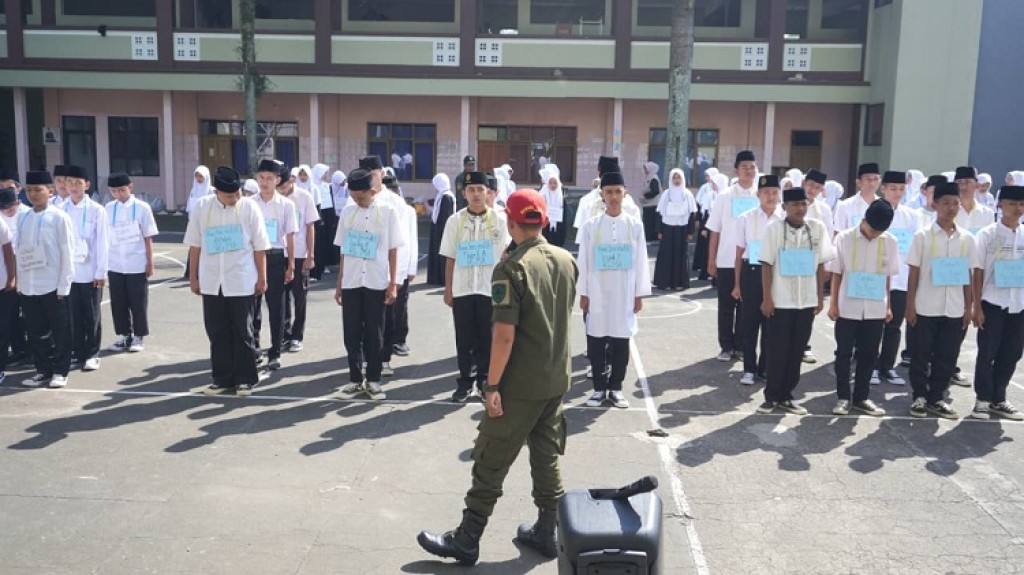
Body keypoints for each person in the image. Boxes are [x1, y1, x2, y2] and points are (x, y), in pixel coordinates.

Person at [417, 189, 578, 566]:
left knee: (490, 457)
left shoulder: (510, 269)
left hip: (520, 382)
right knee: (547, 454)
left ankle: (468, 538)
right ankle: (546, 529)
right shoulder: (566, 259)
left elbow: (504, 334)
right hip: (555, 377)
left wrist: (491, 385)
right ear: (544, 221)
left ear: (510, 222)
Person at [185, 166, 270, 397]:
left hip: (241, 279)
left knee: (244, 331)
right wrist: (193, 277)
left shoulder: (249, 207)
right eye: (229, 196)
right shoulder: (202, 207)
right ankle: (222, 379)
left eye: (236, 194)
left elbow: (260, 247)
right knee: (217, 331)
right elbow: (195, 245)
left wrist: (262, 278)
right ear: (216, 192)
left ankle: (245, 379)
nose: (234, 199)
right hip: (212, 281)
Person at [756, 187, 834, 414]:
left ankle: (787, 396)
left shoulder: (817, 228)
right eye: (794, 205)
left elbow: (820, 264)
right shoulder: (774, 229)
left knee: (797, 350)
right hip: (781, 301)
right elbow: (766, 264)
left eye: (803, 204)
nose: (800, 209)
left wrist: (819, 298)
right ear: (784, 207)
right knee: (777, 350)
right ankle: (771, 397)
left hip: (806, 301)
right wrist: (767, 298)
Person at [577, 171, 650, 408]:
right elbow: (584, 262)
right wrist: (584, 293)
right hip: (598, 293)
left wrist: (638, 294)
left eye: (618, 191)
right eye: (609, 192)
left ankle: (616, 387)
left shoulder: (634, 226)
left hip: (624, 292)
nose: (614, 196)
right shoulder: (591, 226)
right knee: (596, 340)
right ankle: (598, 389)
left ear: (625, 193)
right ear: (602, 195)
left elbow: (641, 261)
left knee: (621, 339)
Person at [905, 182, 975, 419]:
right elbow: (913, 273)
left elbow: (968, 275)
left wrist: (969, 306)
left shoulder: (966, 239)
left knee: (947, 356)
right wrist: (910, 306)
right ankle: (919, 396)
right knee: (920, 355)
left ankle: (936, 398)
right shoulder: (922, 236)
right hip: (925, 307)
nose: (951, 207)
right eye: (946, 202)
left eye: (955, 203)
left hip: (954, 309)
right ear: (934, 204)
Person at [440, 171, 511, 402]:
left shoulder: (500, 221)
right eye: (471, 190)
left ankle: (483, 381)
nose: (477, 194)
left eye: (481, 189)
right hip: (463, 288)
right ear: (464, 194)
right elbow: (450, 256)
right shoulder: (455, 221)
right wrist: (448, 288)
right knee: (464, 338)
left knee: (486, 337)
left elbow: (506, 256)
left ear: (488, 192)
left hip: (488, 290)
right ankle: (464, 382)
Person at [333, 168, 402, 401]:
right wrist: (340, 282)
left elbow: (393, 249)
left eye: (360, 196)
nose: (356, 200)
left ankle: (373, 380)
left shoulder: (388, 212)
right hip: (352, 280)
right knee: (351, 332)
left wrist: (393, 283)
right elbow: (343, 250)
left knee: (375, 332)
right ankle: (354, 379)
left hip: (376, 280)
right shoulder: (347, 212)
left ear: (372, 191)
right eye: (352, 195)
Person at [829, 199, 899, 416]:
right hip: (847, 305)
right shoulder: (844, 238)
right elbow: (837, 273)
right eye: (872, 230)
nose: (875, 235)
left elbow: (887, 276)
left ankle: (861, 397)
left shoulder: (890, 241)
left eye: (879, 232)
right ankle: (842, 397)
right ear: (863, 220)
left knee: (869, 354)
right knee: (843, 353)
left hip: (875, 307)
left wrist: (888, 305)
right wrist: (833, 304)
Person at [969, 184, 1024, 420]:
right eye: (1012, 203)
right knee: (987, 352)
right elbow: (977, 270)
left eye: (1021, 204)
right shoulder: (988, 234)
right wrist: (976, 305)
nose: (1018, 209)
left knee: (1012, 353)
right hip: (992, 302)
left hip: (1019, 303)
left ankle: (999, 398)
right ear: (1000, 205)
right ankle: (982, 398)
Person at [18, 170, 75, 389]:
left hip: (53, 284)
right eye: (29, 190)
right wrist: (22, 283)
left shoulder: (59, 217)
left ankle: (60, 371)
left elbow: (67, 252)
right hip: (31, 285)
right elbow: (21, 250)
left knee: (60, 330)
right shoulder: (25, 216)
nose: (33, 194)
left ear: (50, 191)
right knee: (35, 331)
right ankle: (43, 370)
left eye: (38, 189)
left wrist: (64, 284)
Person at [706, 150, 758, 362]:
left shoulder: (761, 195)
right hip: (727, 258)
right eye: (744, 167)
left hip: (752, 258)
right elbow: (715, 230)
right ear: (736, 170)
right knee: (726, 306)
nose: (749, 170)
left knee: (748, 307)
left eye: (752, 166)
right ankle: (726, 346)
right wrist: (711, 259)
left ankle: (741, 346)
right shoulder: (725, 196)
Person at [734, 174, 784, 385]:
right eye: (766, 193)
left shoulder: (784, 220)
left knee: (771, 325)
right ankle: (749, 369)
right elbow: (738, 254)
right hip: (752, 273)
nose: (770, 197)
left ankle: (764, 369)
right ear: (758, 195)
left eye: (774, 193)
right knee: (749, 323)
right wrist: (737, 284)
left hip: (777, 274)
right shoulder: (746, 218)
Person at [872, 171, 919, 385]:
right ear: (884, 188)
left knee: (894, 326)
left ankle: (887, 367)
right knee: (874, 325)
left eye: (901, 189)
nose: (897, 193)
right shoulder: (873, 210)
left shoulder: (912, 216)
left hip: (901, 279)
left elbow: (915, 249)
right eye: (893, 188)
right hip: (876, 277)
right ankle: (870, 366)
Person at [104, 172, 159, 354]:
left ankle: (139, 335)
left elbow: (147, 236)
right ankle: (124, 335)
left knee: (138, 301)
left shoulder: (142, 208)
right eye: (114, 191)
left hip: (136, 262)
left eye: (122, 190)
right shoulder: (108, 208)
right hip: (115, 263)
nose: (118, 194)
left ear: (130, 187)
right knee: (118, 301)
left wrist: (149, 262)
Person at [251, 159, 297, 371]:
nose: (265, 182)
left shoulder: (287, 205)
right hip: (252, 259)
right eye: (261, 177)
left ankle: (275, 352)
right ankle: (254, 348)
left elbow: (290, 236)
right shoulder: (249, 203)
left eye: (270, 178)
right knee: (252, 307)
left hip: (276, 258)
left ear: (278, 180)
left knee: (277, 308)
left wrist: (291, 266)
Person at [62, 165, 109, 372]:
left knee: (91, 315)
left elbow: (102, 243)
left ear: (87, 185)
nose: (73, 187)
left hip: (90, 272)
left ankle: (92, 353)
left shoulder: (96, 210)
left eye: (78, 183)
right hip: (69, 273)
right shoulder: (61, 209)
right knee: (73, 315)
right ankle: (78, 352)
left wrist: (100, 272)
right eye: (70, 182)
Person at [278, 162, 320, 353]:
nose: (281, 191)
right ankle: (284, 334)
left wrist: (311, 254)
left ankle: (297, 335)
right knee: (281, 296)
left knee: (299, 295)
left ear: (292, 181)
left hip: (300, 253)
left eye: (284, 186)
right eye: (278, 187)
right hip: (279, 253)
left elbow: (310, 227)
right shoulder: (275, 198)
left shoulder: (304, 198)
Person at [382, 174, 418, 360]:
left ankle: (399, 339)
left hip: (402, 265)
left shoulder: (407, 211)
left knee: (400, 305)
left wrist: (412, 268)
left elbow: (413, 240)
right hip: (381, 268)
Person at [1, 186, 31, 366]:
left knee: (30, 314)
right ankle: (19, 350)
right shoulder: (1, 218)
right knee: (12, 317)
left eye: (11, 207)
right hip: (9, 272)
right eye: (4, 208)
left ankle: (33, 350)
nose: (8, 211)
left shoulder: (28, 214)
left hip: (29, 268)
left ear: (18, 202)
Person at [653, 167, 696, 291]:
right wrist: (659, 231)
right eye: (674, 177)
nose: (676, 180)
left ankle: (679, 282)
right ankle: (664, 282)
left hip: (682, 229)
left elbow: (692, 213)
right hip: (667, 228)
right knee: (666, 254)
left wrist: (690, 232)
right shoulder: (666, 193)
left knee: (680, 254)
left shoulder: (687, 194)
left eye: (679, 177)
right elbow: (660, 213)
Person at [694, 172, 726, 281]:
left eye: (716, 183)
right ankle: (706, 273)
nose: (714, 185)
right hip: (711, 228)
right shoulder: (709, 195)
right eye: (713, 183)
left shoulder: (726, 197)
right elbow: (705, 213)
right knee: (709, 251)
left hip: (724, 230)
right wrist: (704, 228)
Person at [833, 163, 882, 233]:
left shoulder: (883, 206)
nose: (872, 183)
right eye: (868, 179)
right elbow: (838, 233)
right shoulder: (845, 206)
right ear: (858, 182)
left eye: (875, 179)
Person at [185, 165, 212, 278]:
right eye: (197, 176)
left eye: (201, 176)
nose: (199, 179)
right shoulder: (193, 190)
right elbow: (190, 207)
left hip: (207, 224)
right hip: (194, 224)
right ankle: (191, 272)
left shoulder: (211, 191)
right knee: (194, 246)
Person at [428, 173, 455, 286]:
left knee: (442, 255)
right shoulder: (441, 195)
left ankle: (442, 278)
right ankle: (435, 278)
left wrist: (442, 232)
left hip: (442, 231)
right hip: (437, 229)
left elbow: (446, 216)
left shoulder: (446, 197)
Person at [314, 164, 338, 280]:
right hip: (319, 214)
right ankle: (319, 265)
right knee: (319, 242)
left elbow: (330, 201)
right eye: (324, 173)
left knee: (328, 240)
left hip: (328, 214)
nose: (325, 176)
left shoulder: (326, 186)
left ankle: (325, 264)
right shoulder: (314, 186)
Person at [538, 163, 565, 247]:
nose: (553, 185)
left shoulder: (561, 196)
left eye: (555, 183)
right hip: (545, 226)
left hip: (558, 226)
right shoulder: (542, 194)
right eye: (551, 183)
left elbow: (564, 216)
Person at [641, 161, 662, 242]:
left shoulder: (654, 178)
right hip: (649, 204)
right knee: (648, 222)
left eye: (646, 168)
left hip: (653, 204)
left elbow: (655, 191)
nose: (645, 170)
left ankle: (651, 238)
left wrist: (646, 196)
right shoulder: (649, 177)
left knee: (651, 222)